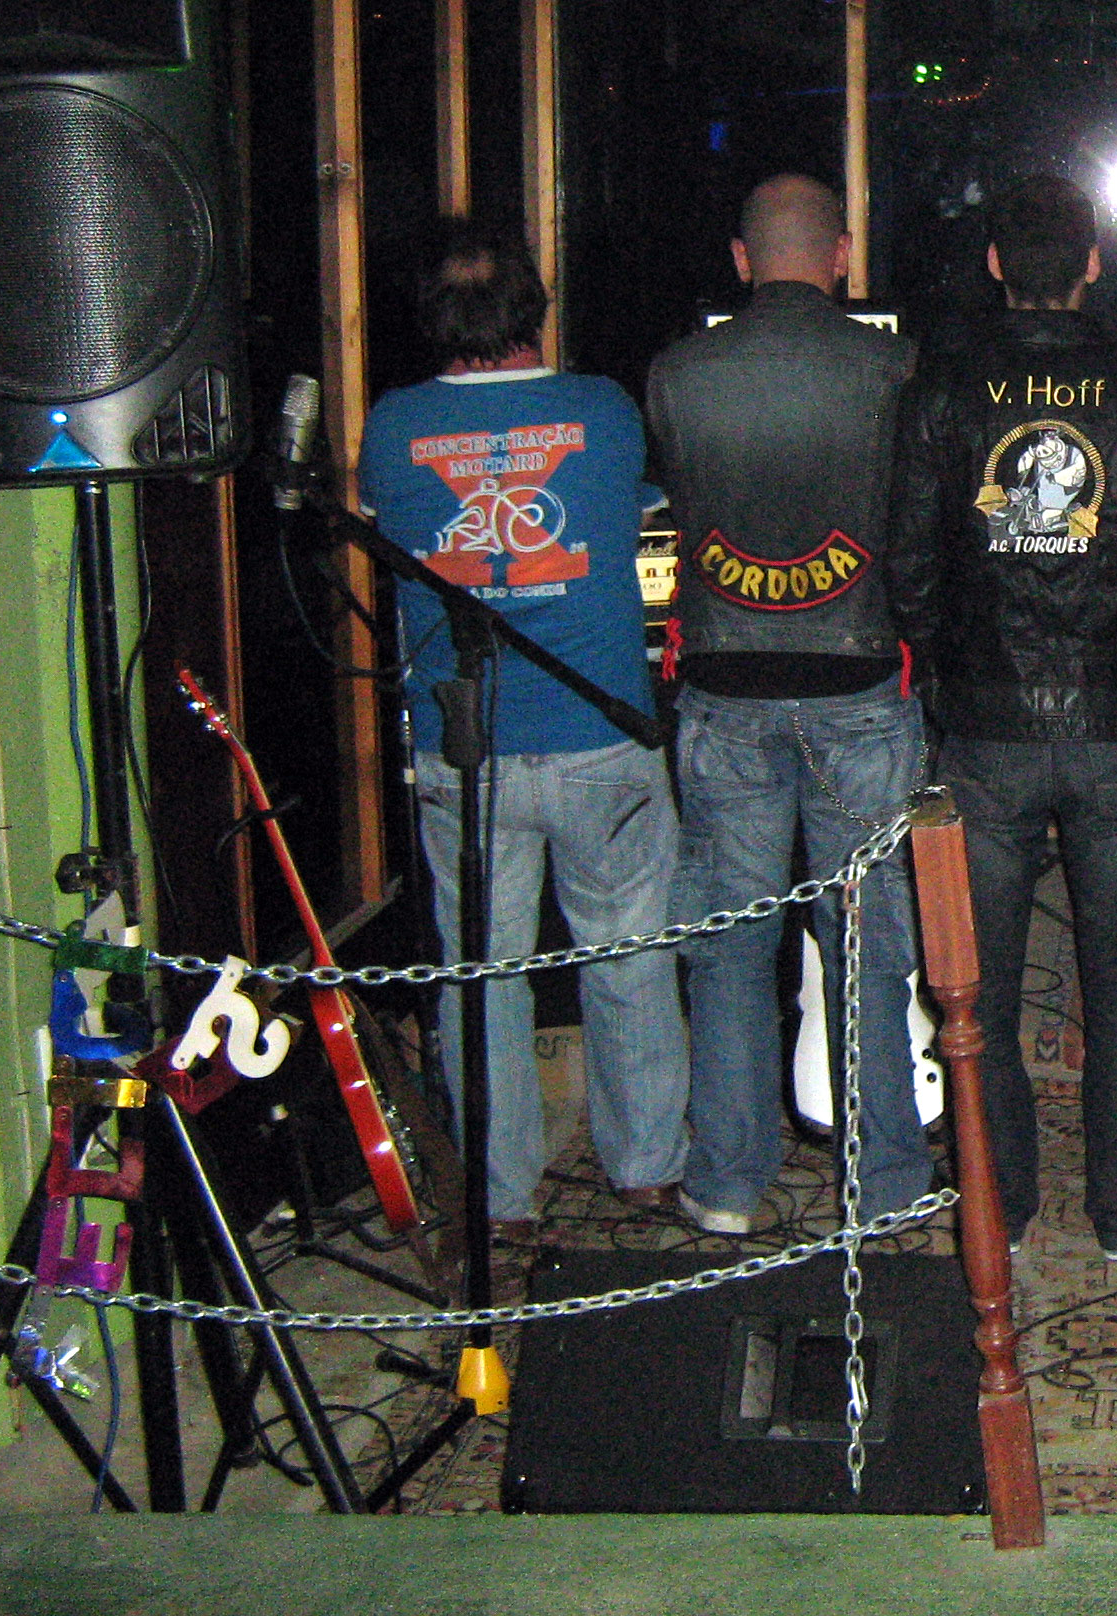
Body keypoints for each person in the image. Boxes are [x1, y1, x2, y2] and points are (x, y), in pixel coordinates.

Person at [886, 176, 1117, 1260]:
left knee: (973, 995)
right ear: (1092, 264)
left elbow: (910, 572)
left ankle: (1004, 1206)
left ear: (996, 265)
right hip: (1116, 726)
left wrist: (947, 679)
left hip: (985, 728)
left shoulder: (943, 389)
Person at [358, 223, 687, 1243]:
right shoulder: (602, 409)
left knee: (480, 978)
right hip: (601, 737)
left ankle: (499, 1193)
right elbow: (633, 508)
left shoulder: (393, 425)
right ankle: (645, 1170)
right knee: (629, 960)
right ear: (531, 307)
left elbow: (387, 518)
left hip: (465, 750)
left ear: (431, 317)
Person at [645, 174, 926, 1236]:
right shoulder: (895, 367)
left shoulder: (678, 374)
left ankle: (727, 1182)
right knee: (869, 946)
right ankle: (886, 1182)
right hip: (858, 683)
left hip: (725, 687)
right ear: (841, 255)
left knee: (728, 949)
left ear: (741, 259)